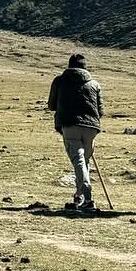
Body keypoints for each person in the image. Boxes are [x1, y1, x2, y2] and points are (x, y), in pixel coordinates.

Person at [46, 53, 103, 214]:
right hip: (91, 126)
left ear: (69, 65)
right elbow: (101, 110)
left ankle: (88, 197)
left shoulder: (59, 81)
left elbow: (51, 105)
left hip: (69, 125)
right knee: (84, 162)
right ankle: (80, 197)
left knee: (78, 161)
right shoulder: (94, 84)